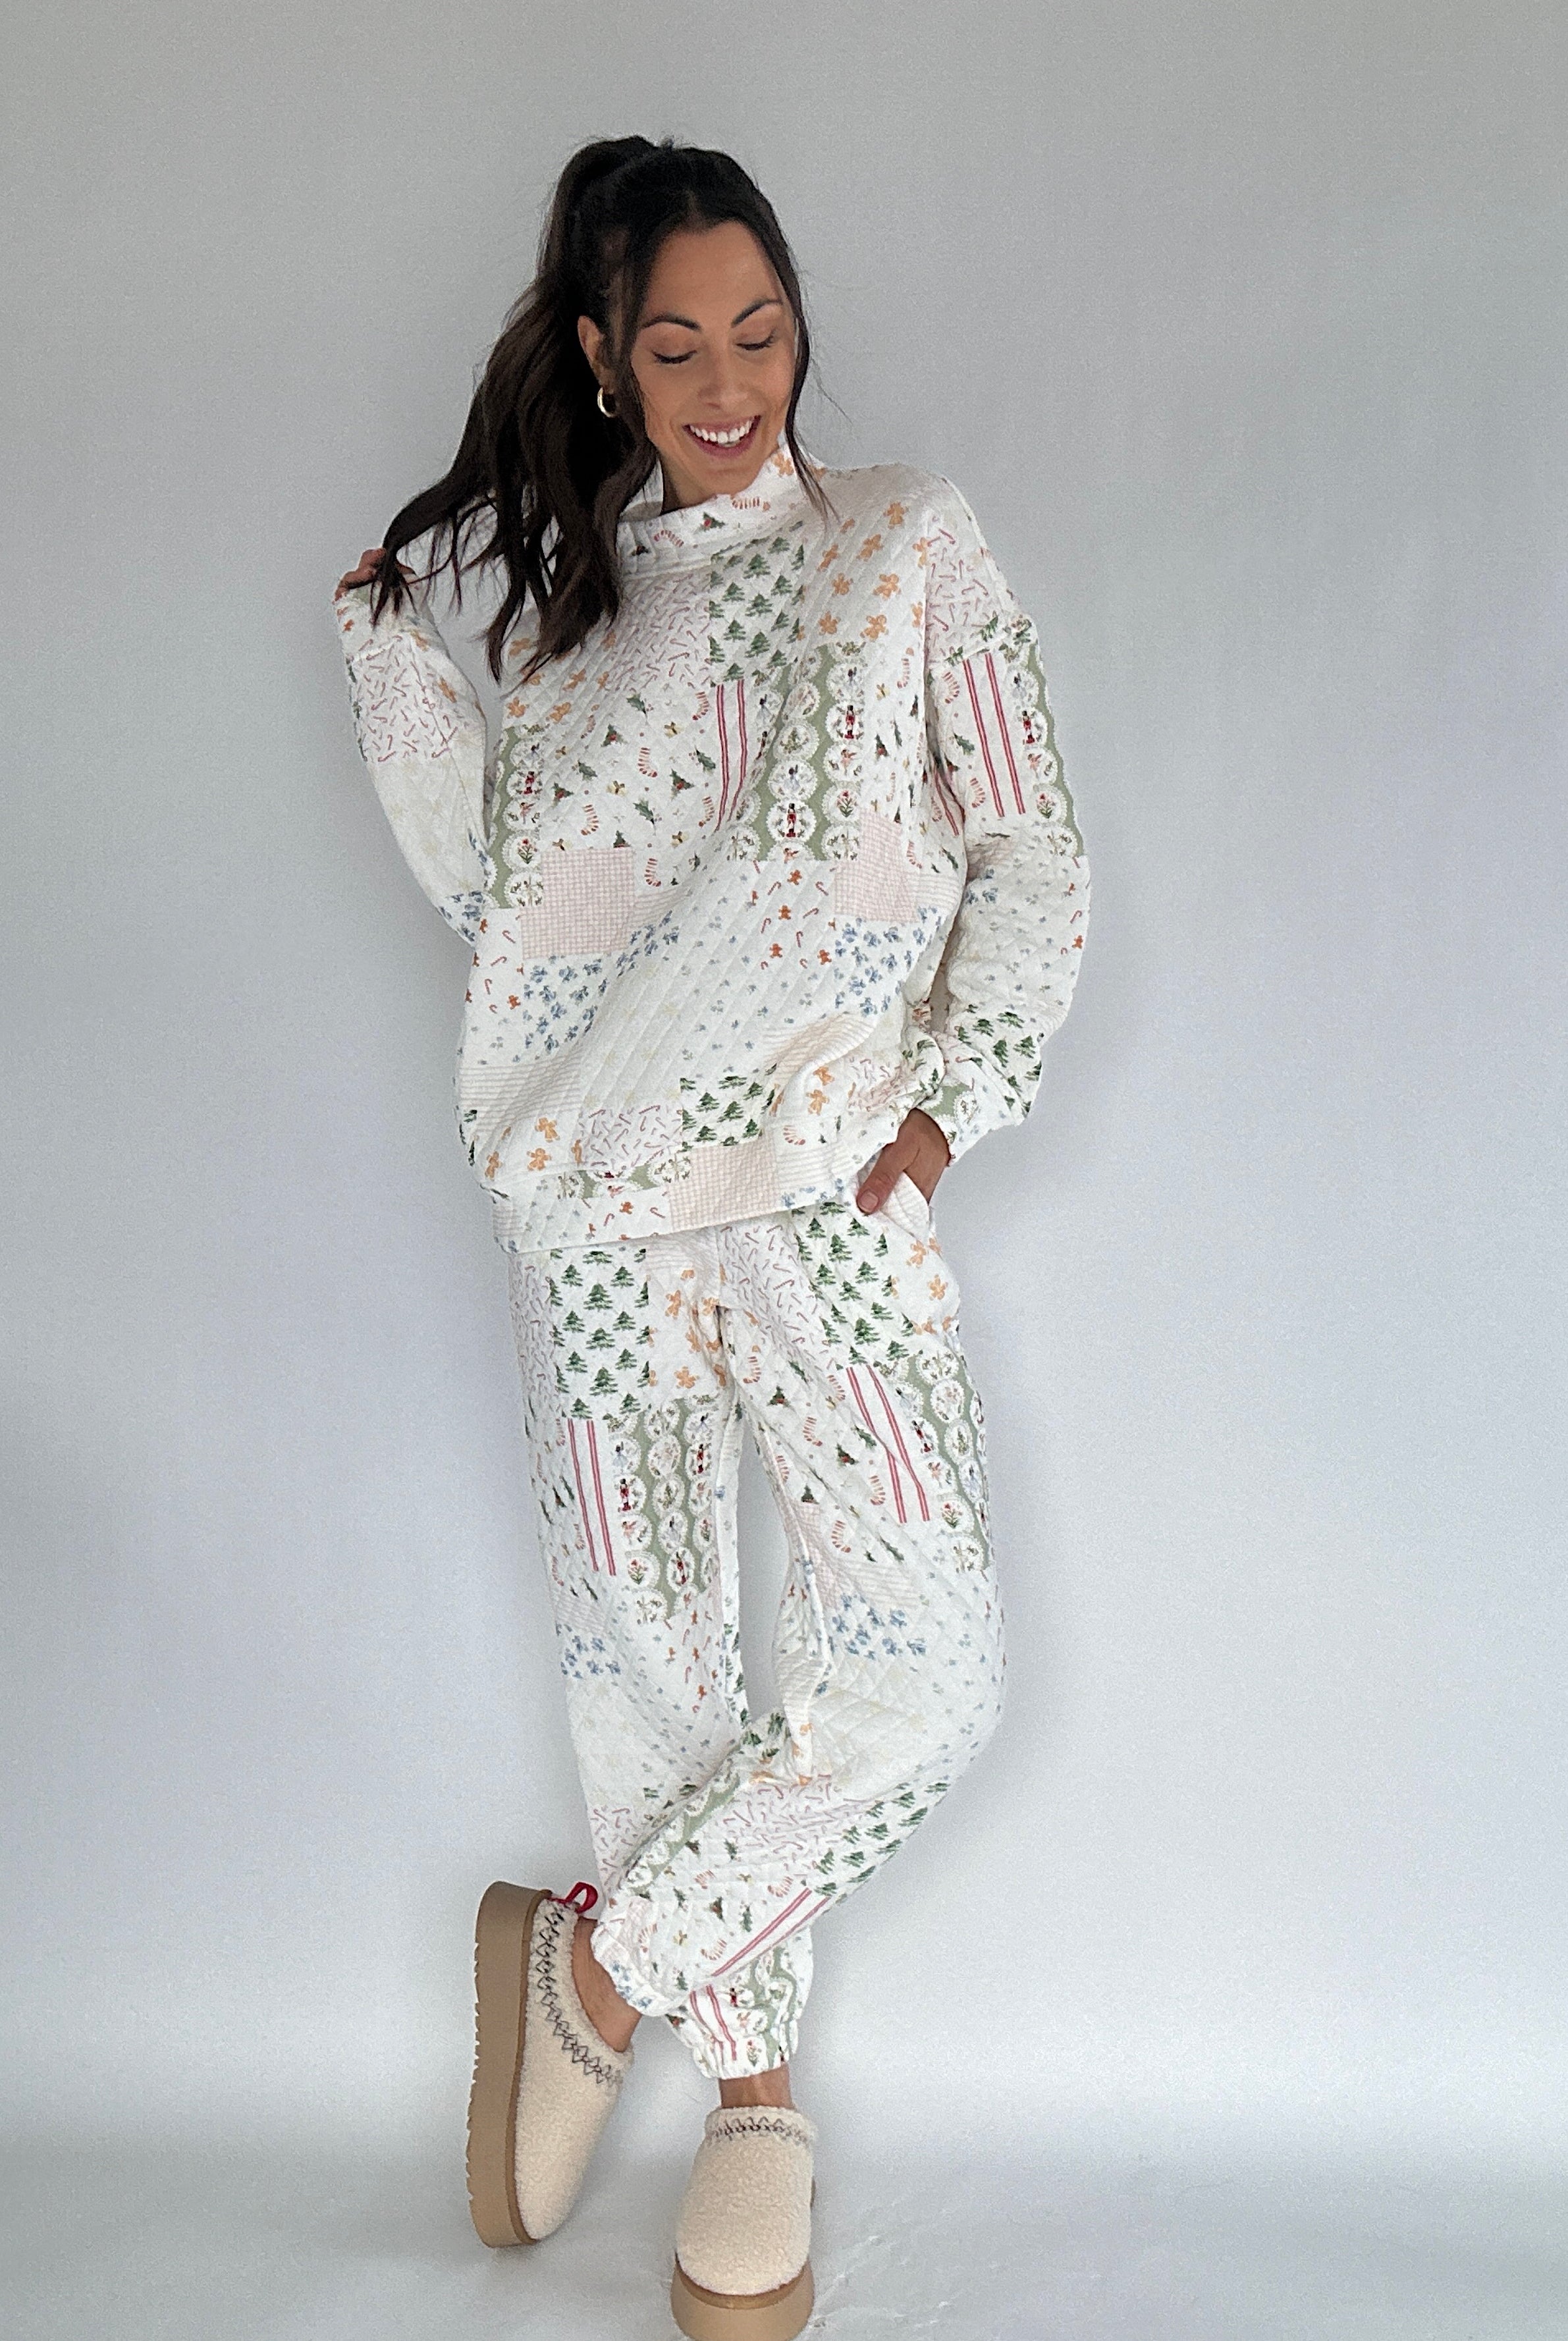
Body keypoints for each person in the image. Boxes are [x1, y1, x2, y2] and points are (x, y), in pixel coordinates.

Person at [332, 133, 1088, 2341]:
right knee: (650, 1680)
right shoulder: (573, 646)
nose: (732, 380)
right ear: (604, 359)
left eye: (761, 331)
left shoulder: (904, 545)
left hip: (828, 1195)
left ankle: (590, 1975)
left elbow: (1031, 853)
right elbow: (502, 914)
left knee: (924, 1671)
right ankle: (756, 2106)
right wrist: (392, 664)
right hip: (594, 1219)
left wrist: (944, 1116)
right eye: (677, 346)